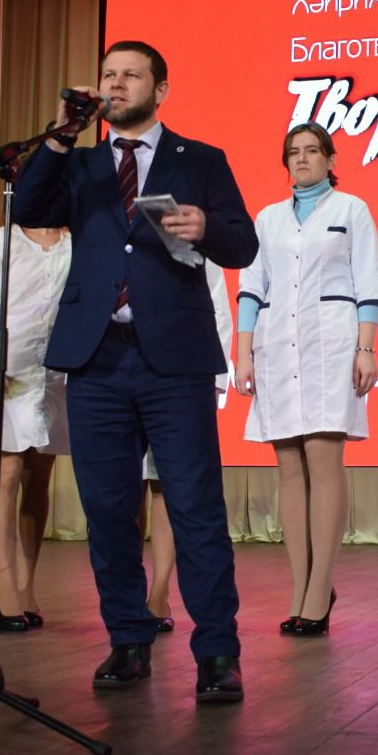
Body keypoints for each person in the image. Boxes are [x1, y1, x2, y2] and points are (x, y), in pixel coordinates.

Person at [12, 39, 258, 702]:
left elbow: (242, 244)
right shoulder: (81, 161)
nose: (116, 84)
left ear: (161, 89)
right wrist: (59, 138)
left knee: (196, 508)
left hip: (173, 361)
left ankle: (217, 652)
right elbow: (27, 208)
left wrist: (206, 226)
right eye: (108, 75)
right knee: (108, 510)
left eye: (130, 75)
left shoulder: (200, 159)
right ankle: (127, 640)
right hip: (96, 360)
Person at [234, 122, 378, 636]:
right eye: (293, 152)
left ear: (330, 159)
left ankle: (320, 589)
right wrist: (244, 353)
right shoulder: (268, 218)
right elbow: (252, 288)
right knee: (288, 469)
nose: (301, 159)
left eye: (311, 151)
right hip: (277, 347)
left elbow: (368, 284)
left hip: (333, 346)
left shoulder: (352, 210)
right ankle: (300, 586)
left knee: (323, 461)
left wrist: (366, 348)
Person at [0, 222, 72, 632]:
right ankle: (1, 583)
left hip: (55, 374)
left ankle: (26, 586)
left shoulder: (73, 242)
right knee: (7, 474)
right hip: (9, 372)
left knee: (38, 478)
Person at [141, 262, 233, 632]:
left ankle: (159, 592)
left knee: (165, 485)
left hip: (179, 374)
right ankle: (130, 598)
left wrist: (212, 379)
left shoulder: (188, 237)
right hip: (116, 370)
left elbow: (217, 310)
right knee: (123, 487)